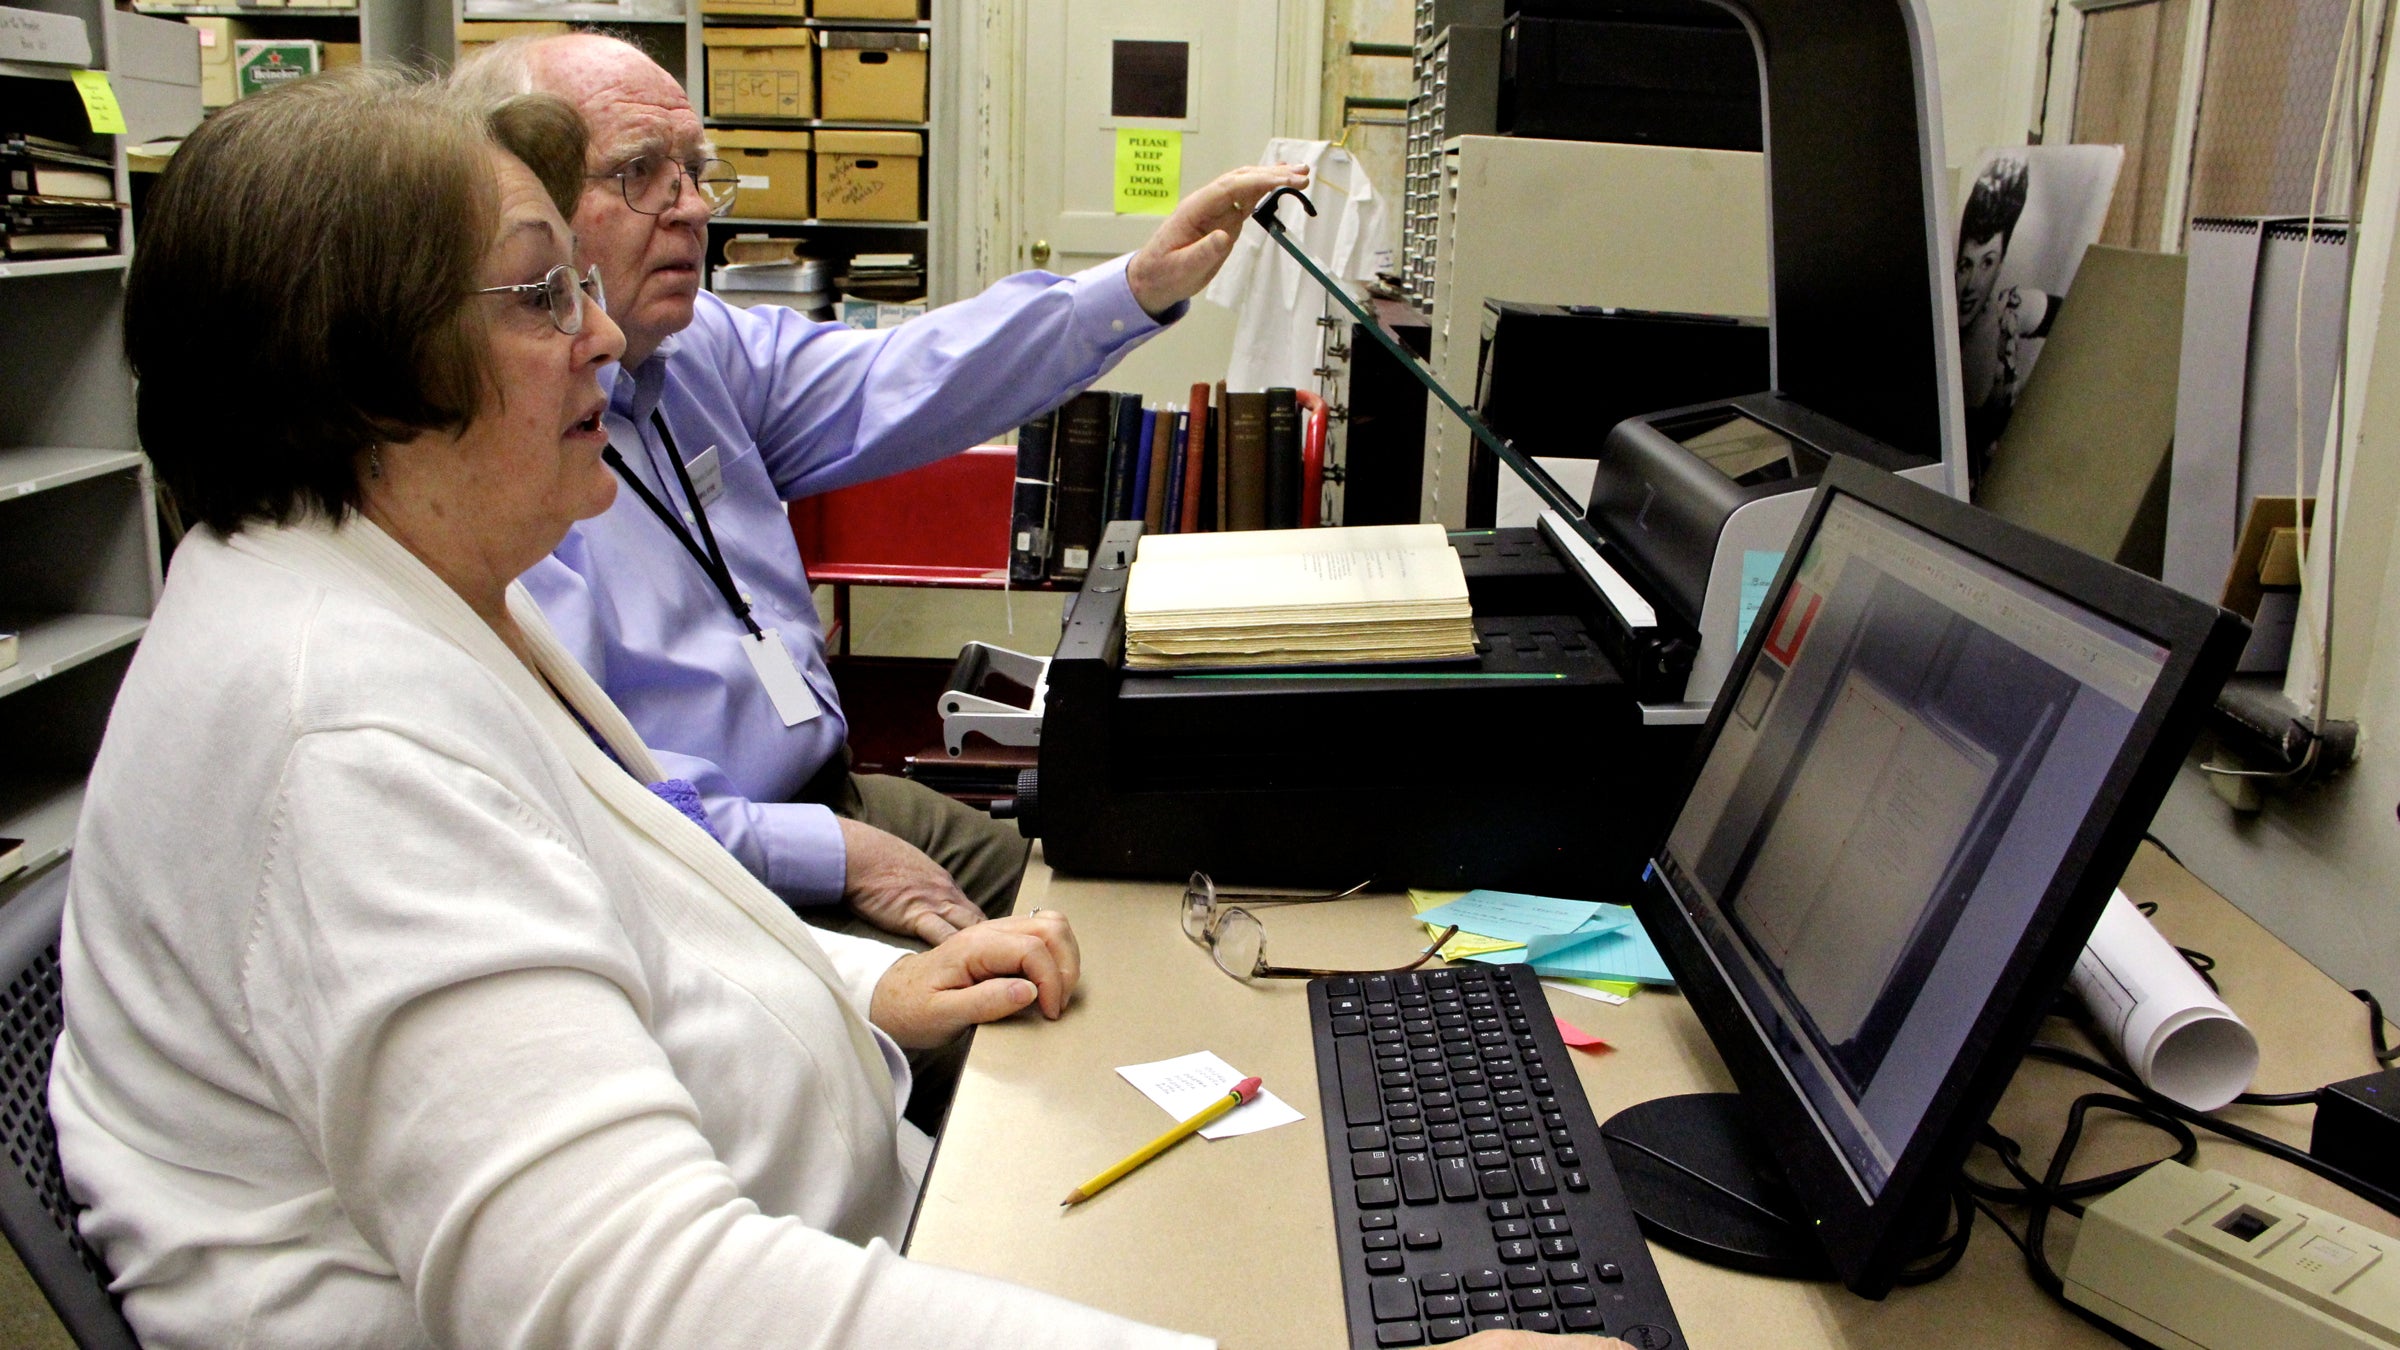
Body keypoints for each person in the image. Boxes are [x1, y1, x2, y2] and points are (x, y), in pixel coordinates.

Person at [47, 68, 1624, 1350]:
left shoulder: (390, 583)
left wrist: (855, 988)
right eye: (541, 296)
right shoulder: (342, 740)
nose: (599, 328)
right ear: (366, 373)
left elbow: (605, 887)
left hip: (841, 1193)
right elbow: (631, 1299)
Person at [450, 36, 1309, 949]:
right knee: (1024, 1011)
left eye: (695, 171)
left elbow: (906, 376)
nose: (692, 207)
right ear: (517, 205)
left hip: (835, 792)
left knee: (1118, 906)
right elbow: (597, 802)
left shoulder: (698, 351)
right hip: (704, 872)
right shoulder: (503, 463)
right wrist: (837, 855)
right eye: (638, 172)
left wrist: (1136, 287)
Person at [1955, 153, 2058, 484]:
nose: (1971, 285)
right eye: (1966, 265)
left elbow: (2082, 320)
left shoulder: (2009, 311)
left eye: (1987, 263)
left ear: (2002, 263)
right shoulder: (1936, 331)